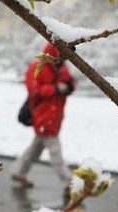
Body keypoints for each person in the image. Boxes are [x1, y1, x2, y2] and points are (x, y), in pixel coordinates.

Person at [10, 42, 75, 194]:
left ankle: (18, 172)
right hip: (43, 116)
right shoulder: (36, 67)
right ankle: (69, 183)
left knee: (36, 149)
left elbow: (70, 83)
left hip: (55, 115)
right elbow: (34, 90)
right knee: (55, 151)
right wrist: (55, 89)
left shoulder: (62, 68)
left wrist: (68, 87)